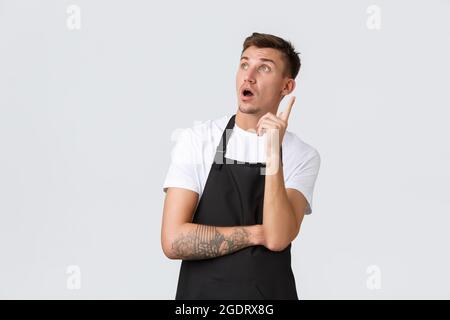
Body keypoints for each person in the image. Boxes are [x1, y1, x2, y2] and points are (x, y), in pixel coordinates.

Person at [161, 32, 321, 300]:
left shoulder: (301, 155)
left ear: (286, 87)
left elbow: (279, 237)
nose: (249, 75)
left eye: (264, 68)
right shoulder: (197, 140)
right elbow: (173, 241)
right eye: (244, 64)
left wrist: (272, 154)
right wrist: (257, 233)